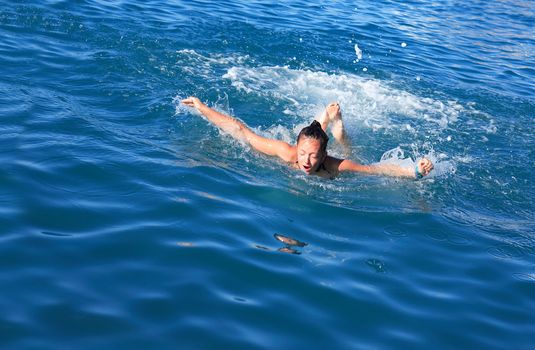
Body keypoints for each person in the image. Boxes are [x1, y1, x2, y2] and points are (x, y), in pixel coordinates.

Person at [181, 97, 434, 179]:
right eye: (303, 154)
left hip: (330, 148)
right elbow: (241, 131)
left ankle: (336, 124)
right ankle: (326, 118)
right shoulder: (289, 152)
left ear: (324, 155)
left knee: (345, 142)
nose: (306, 161)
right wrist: (202, 107)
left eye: (313, 156)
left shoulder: (334, 166)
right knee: (315, 135)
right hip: (311, 137)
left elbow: (375, 169)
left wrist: (415, 172)